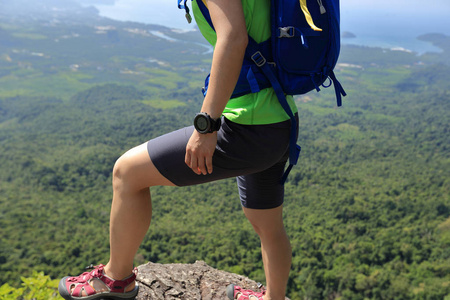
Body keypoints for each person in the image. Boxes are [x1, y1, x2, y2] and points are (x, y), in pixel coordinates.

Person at [58, 0, 298, 299]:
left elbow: (234, 37)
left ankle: (115, 279)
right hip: (279, 122)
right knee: (268, 224)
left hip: (246, 126)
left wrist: (206, 126)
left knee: (127, 172)